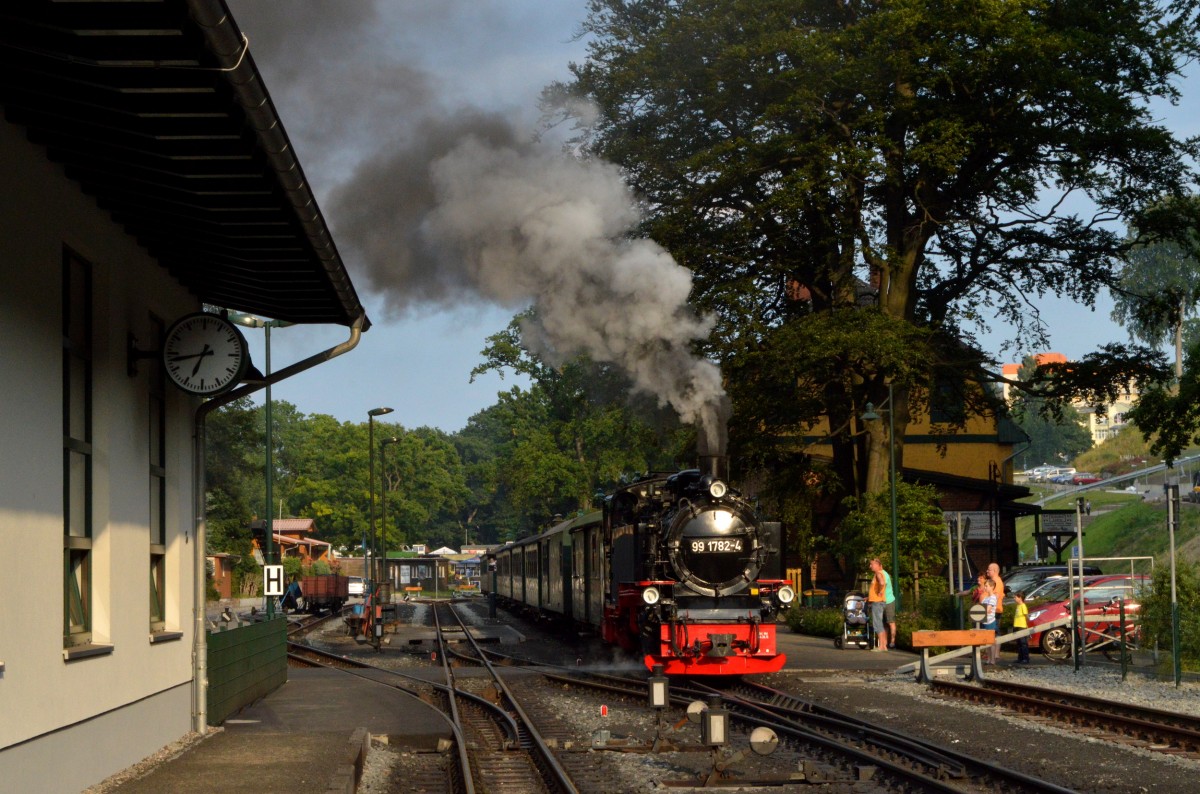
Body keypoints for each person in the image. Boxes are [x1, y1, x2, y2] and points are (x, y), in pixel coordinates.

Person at [867, 558, 896, 652]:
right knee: (881, 624)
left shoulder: (879, 573)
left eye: (871, 564)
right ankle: (884, 645)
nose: (870, 566)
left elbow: (882, 583)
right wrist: (869, 598)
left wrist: (880, 591)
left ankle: (883, 646)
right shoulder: (880, 573)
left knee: (878, 624)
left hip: (879, 602)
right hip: (880, 601)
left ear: (877, 565)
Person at [980, 579, 999, 663]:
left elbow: (987, 609)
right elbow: (982, 609)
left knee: (991, 641)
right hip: (984, 621)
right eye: (985, 586)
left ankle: (992, 660)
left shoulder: (992, 598)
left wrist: (986, 610)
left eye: (986, 586)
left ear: (992, 587)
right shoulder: (985, 598)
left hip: (990, 622)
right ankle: (988, 659)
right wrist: (985, 610)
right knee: (987, 642)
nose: (985, 587)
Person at [1012, 591, 1031, 664]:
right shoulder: (1018, 606)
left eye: (1015, 597)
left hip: (1022, 626)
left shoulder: (1023, 606)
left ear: (1020, 598)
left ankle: (1026, 658)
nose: (1014, 598)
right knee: (1019, 643)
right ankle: (1020, 658)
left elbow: (1026, 616)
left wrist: (1027, 625)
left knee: (1023, 643)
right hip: (1017, 625)